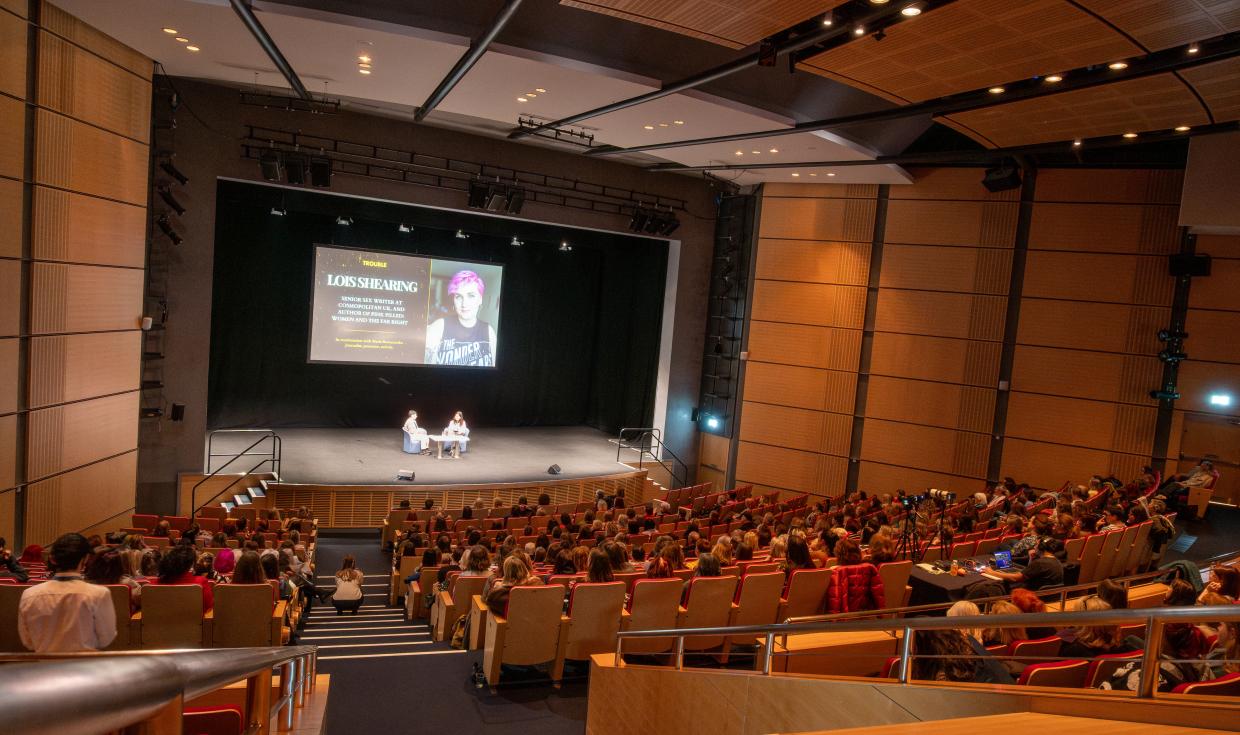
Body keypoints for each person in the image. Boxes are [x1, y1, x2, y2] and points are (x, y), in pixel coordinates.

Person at [18, 533, 116, 652]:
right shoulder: (99, 594)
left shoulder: (29, 594)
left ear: (53, 559)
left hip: (44, 667)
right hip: (85, 668)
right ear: (85, 559)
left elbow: (28, 642)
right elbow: (106, 639)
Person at [424, 269, 497, 367]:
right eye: (458, 297)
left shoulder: (489, 331)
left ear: (480, 299)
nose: (464, 304)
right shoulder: (439, 326)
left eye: (471, 296)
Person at [151, 544, 214, 612]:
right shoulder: (201, 582)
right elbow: (209, 607)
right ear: (190, 565)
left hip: (160, 622)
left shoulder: (153, 584)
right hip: (192, 622)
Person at [985, 538, 1063, 590]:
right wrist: (1031, 559)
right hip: (1047, 594)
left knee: (998, 585)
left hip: (1032, 594)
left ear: (1041, 548)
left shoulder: (1040, 563)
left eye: (1036, 545)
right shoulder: (1055, 560)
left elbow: (1014, 578)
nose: (1034, 547)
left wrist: (992, 572)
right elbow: (1031, 573)